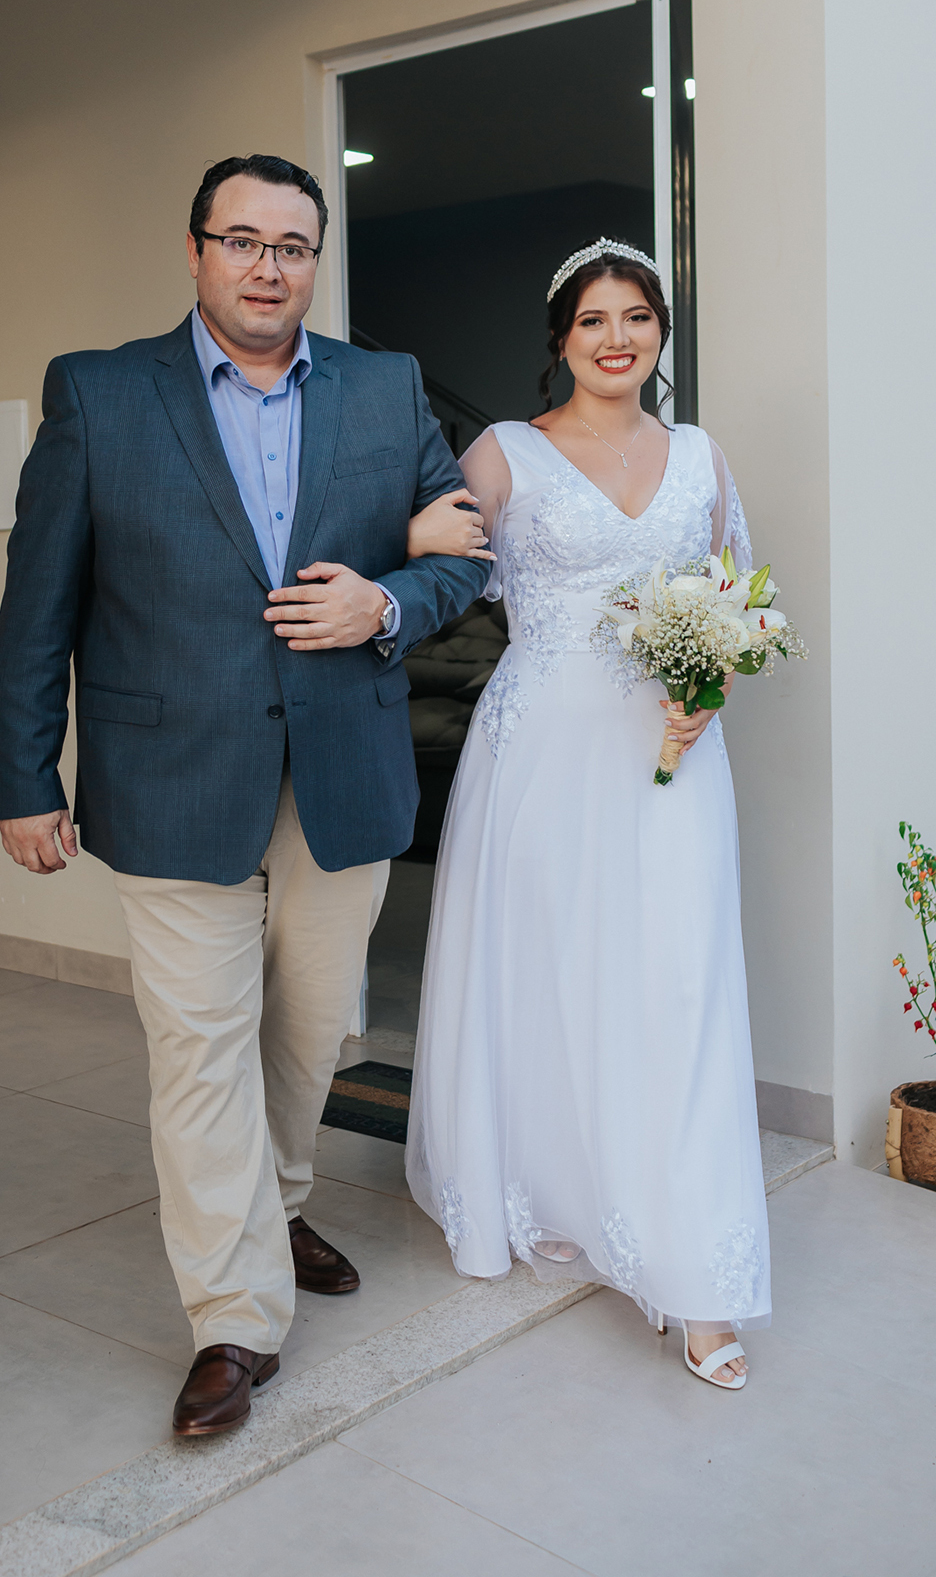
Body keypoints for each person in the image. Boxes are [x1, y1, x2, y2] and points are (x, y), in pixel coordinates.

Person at [0, 154, 490, 1437]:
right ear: (198, 250)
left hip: (344, 765)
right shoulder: (100, 395)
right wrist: (22, 774)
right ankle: (234, 1318)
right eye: (245, 240)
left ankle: (278, 1201)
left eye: (294, 245)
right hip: (167, 776)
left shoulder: (387, 391)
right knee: (197, 1047)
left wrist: (386, 600)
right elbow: (37, 603)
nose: (270, 266)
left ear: (316, 261)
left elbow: (463, 558)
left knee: (310, 1031)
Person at [404, 238, 770, 1389]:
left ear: (662, 332)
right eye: (595, 320)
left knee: (682, 983)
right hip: (543, 750)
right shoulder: (508, 451)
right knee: (552, 974)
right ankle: (562, 1191)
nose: (619, 338)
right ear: (560, 338)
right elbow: (432, 560)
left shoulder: (701, 455)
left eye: (639, 318)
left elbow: (734, 601)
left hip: (670, 757)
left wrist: (709, 685)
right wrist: (414, 538)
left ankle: (701, 1282)